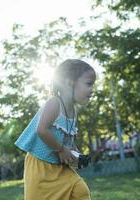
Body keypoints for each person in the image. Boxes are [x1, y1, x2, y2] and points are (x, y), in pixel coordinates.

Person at [14, 59, 96, 200]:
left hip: (59, 167)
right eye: (89, 84)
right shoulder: (54, 103)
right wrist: (61, 149)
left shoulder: (73, 111)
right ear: (70, 82)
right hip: (41, 167)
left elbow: (67, 139)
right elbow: (42, 130)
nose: (92, 90)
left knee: (80, 191)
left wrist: (75, 154)